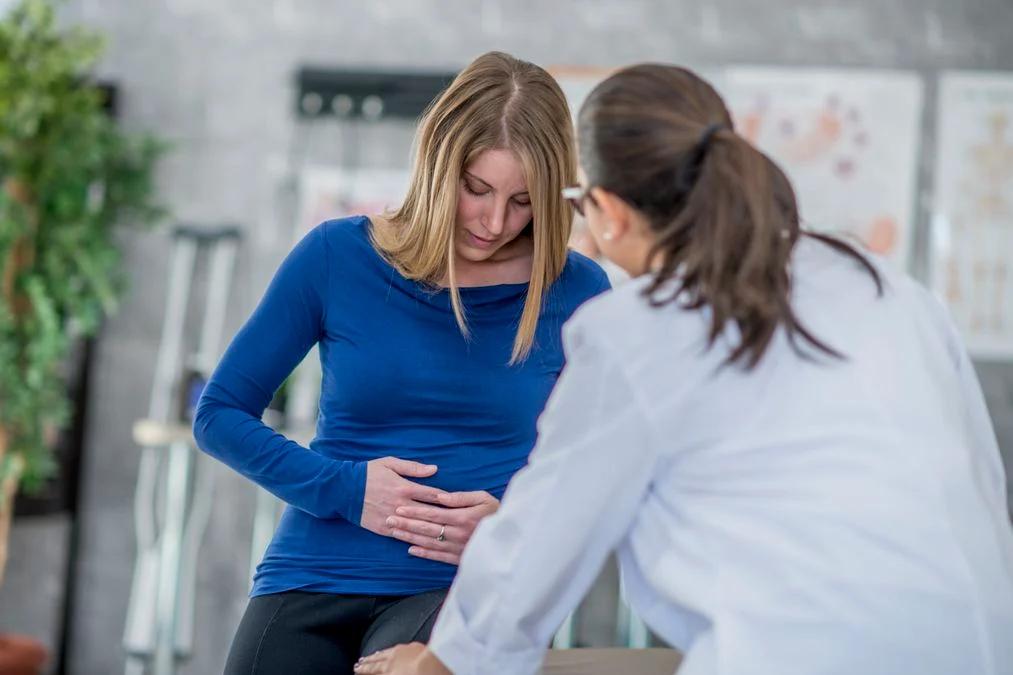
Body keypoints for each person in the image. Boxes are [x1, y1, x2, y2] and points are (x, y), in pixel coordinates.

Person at [354, 64, 1013, 675]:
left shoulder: (637, 329)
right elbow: (979, 484)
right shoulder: (886, 287)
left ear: (607, 214)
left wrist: (444, 662)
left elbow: (540, 539)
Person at [192, 51, 610, 675]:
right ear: (440, 163)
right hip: (313, 568)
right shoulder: (336, 257)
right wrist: (348, 490)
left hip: (461, 584)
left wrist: (518, 524)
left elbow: (603, 463)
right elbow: (218, 414)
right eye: (478, 189)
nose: (496, 222)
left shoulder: (576, 291)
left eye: (523, 201)